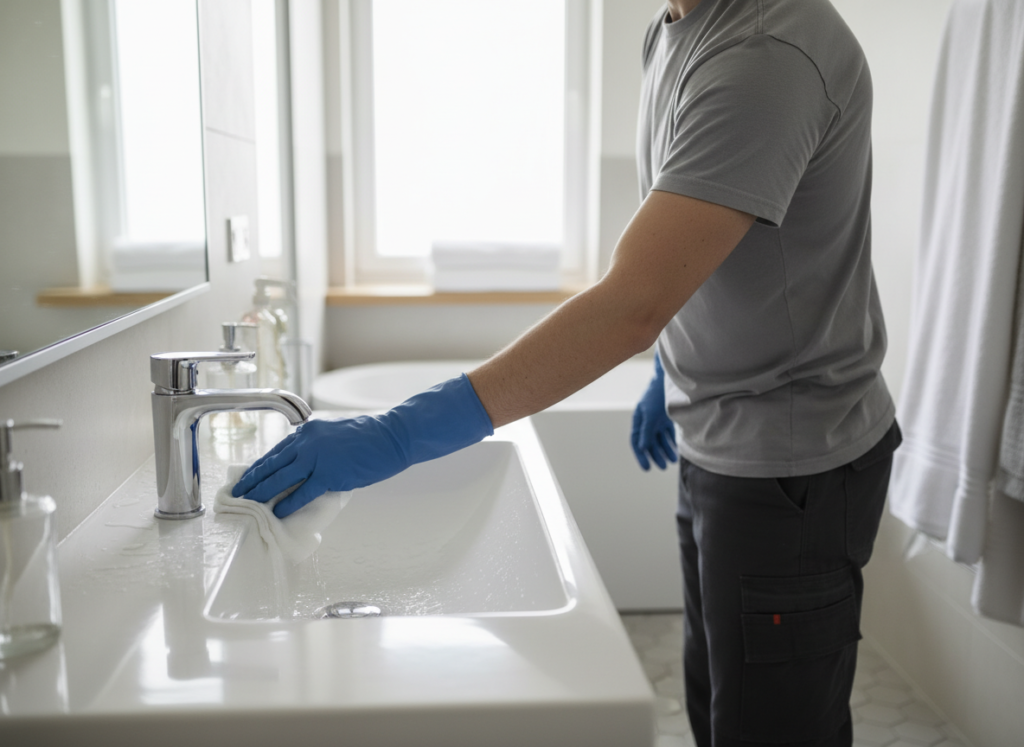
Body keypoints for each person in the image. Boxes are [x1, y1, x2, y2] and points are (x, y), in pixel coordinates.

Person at [234, 1, 899, 744]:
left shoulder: (767, 54)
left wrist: (397, 435)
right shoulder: (674, 27)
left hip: (791, 464)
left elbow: (631, 304)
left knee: (772, 730)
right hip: (717, 437)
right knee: (721, 707)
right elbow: (705, 241)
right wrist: (669, 371)